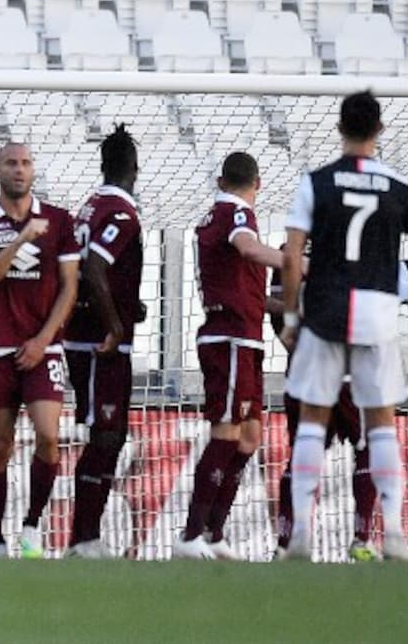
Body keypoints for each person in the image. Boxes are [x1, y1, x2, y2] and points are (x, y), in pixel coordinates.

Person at [281, 90, 408, 562]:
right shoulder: (401, 188)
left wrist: (289, 316)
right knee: (381, 423)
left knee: (313, 421)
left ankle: (300, 534)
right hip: (378, 314)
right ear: (379, 130)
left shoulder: (316, 183)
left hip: (325, 310)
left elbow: (292, 256)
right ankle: (394, 537)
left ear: (340, 129)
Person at [0, 142, 79, 558]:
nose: (20, 170)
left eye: (26, 163)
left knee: (48, 436)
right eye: (11, 163)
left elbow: (70, 287)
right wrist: (21, 238)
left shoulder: (61, 221)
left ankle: (31, 526)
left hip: (42, 348)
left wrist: (43, 340)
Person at [271, 254, 408, 561]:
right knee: (367, 446)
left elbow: (279, 313)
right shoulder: (363, 244)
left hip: (309, 370)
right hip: (352, 371)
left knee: (303, 451)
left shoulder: (292, 247)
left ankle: (288, 543)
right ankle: (361, 540)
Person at [172, 152, 285, 560]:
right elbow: (250, 250)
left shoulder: (216, 216)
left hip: (244, 335)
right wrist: (301, 263)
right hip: (230, 337)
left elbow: (245, 284)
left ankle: (215, 533)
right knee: (226, 431)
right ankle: (189, 536)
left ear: (221, 180)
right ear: (259, 183)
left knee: (250, 436)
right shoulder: (236, 215)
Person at [63, 124, 144, 559]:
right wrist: (115, 324)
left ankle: (84, 537)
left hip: (83, 334)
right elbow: (94, 268)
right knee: (108, 435)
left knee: (107, 434)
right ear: (135, 168)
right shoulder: (120, 212)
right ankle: (85, 538)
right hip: (99, 343)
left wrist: (131, 306)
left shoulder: (89, 206)